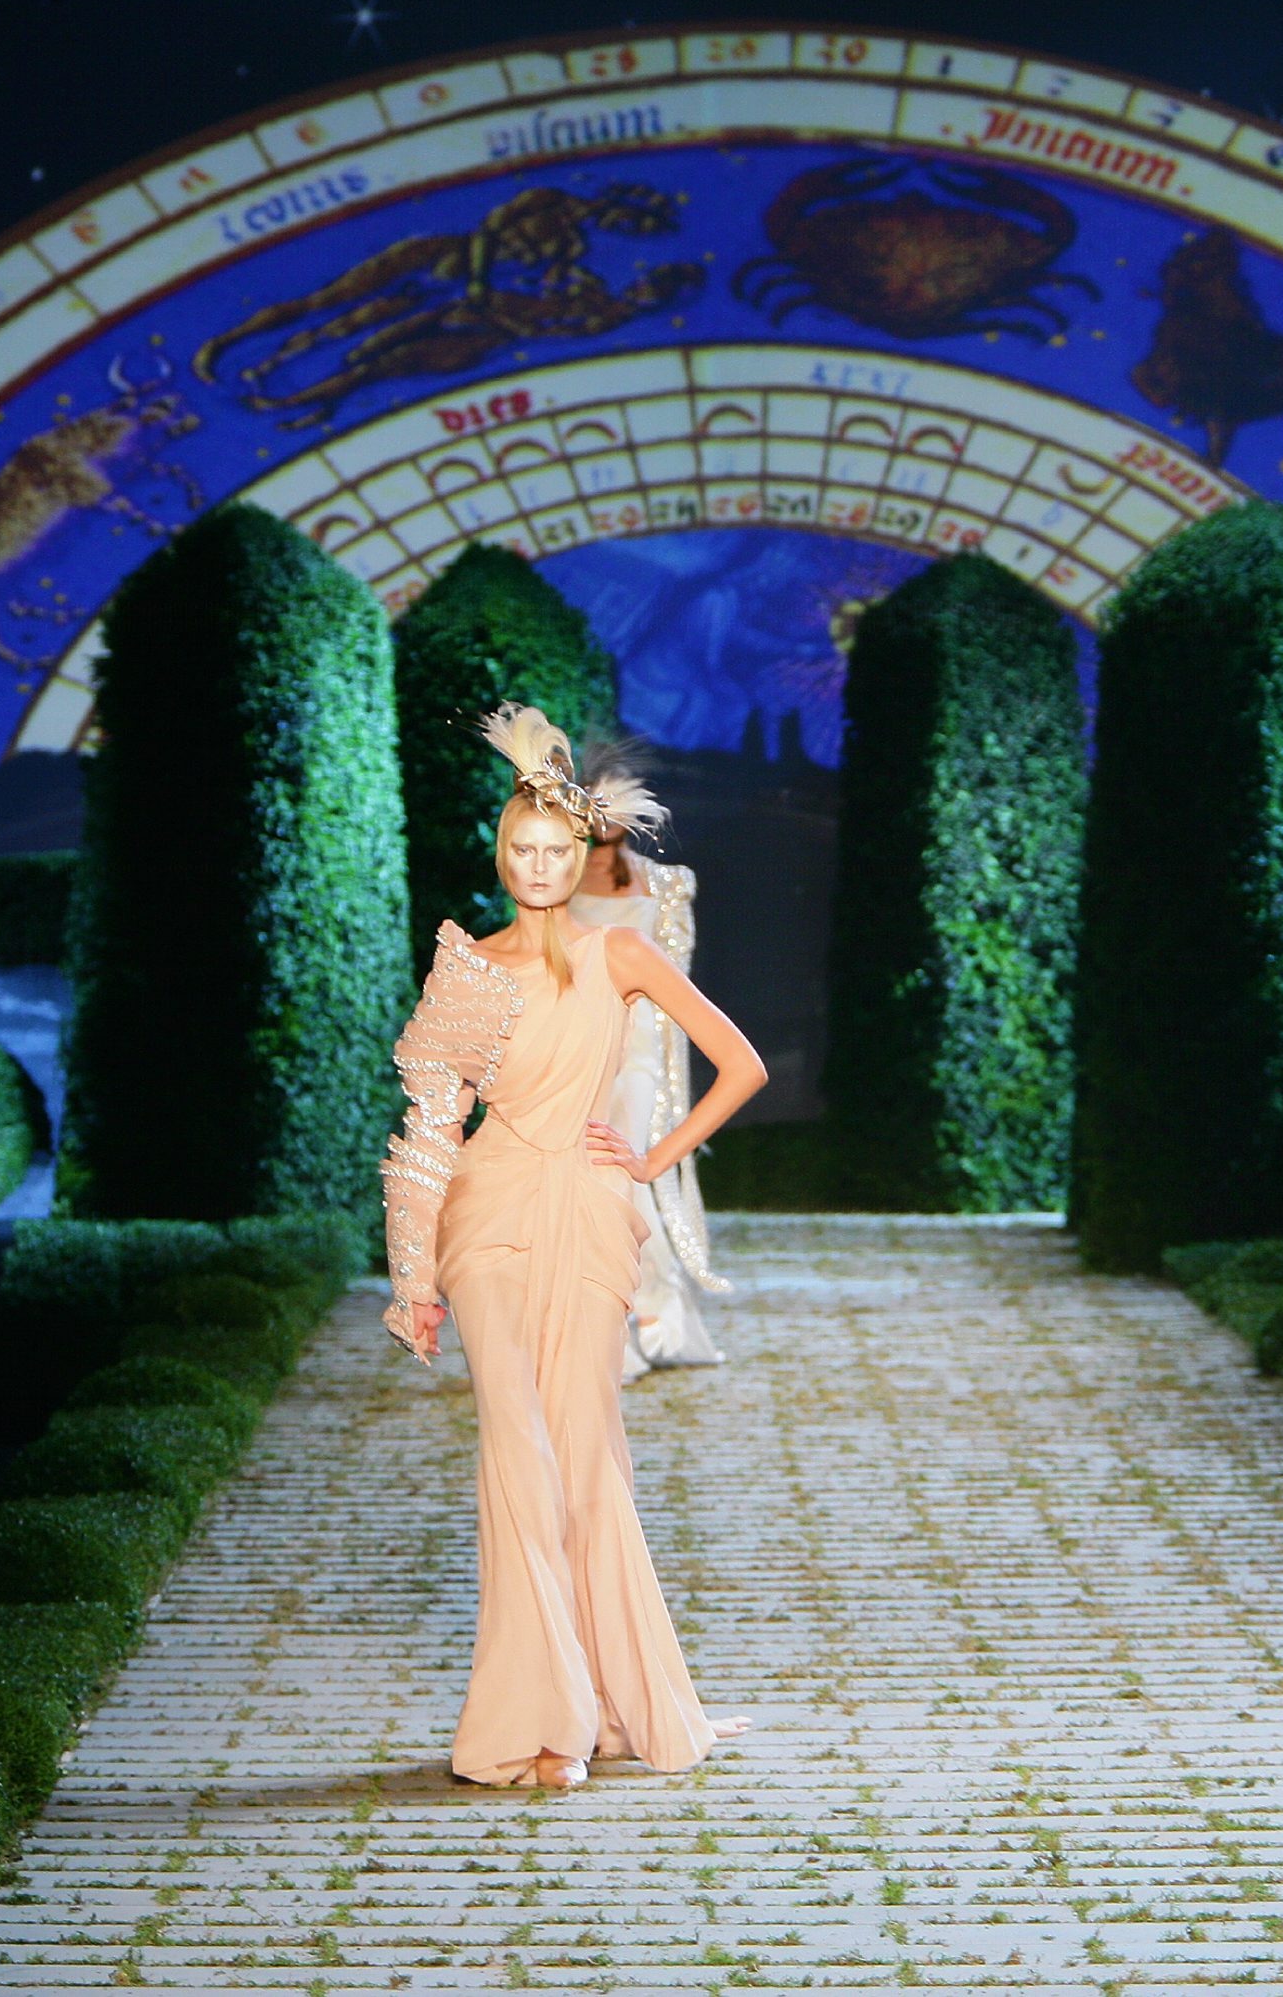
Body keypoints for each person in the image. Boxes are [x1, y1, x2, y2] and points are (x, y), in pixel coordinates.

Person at [377, 705, 767, 1791]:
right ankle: (539, 1724)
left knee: (586, 1454)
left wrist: (649, 1161)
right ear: (501, 856)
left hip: (589, 1214)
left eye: (557, 849)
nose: (541, 866)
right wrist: (412, 1279)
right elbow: (428, 1131)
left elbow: (739, 1064)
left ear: (578, 851)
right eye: (523, 850)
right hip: (488, 1217)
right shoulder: (466, 969)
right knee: (516, 1451)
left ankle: (604, 1701)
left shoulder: (620, 953)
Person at [564, 756, 737, 1383]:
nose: (605, 817)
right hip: (576, 1046)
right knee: (592, 1178)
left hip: (637, 1052)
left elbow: (676, 986)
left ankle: (646, 1322)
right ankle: (619, 1326)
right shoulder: (558, 879)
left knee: (621, 1172)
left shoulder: (664, 884)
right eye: (597, 804)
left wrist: (671, 1075)